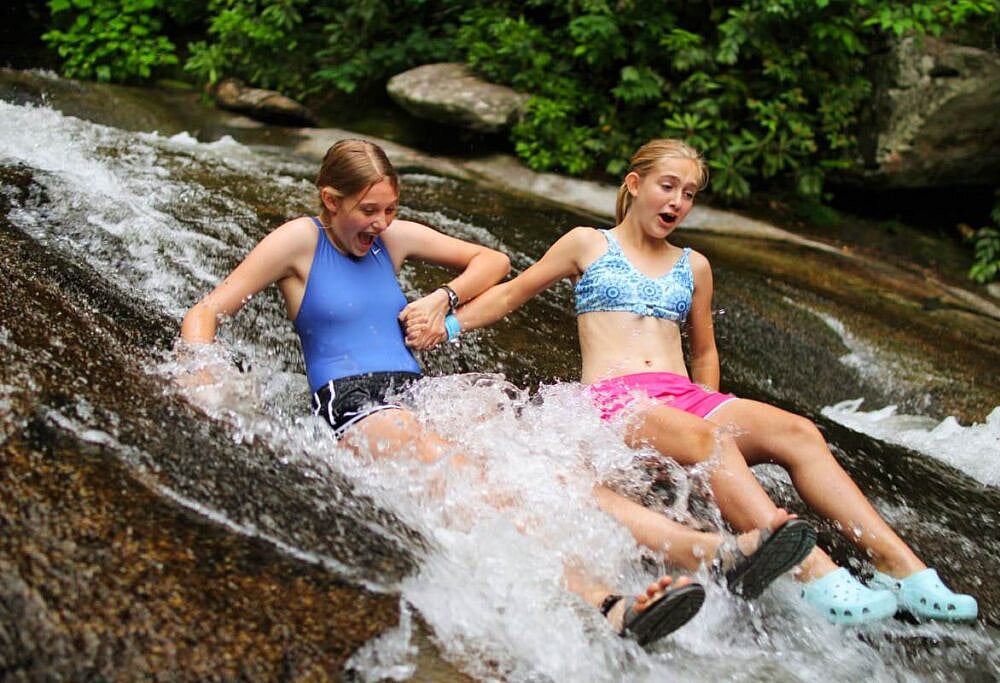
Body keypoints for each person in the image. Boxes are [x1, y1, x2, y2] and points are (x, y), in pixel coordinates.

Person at [178, 138, 815, 648]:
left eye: (390, 210)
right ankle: (608, 603)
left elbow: (492, 262)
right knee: (472, 478)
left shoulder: (392, 241)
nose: (381, 224)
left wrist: (442, 297)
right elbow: (207, 312)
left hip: (419, 393)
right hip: (355, 404)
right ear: (330, 200)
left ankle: (715, 554)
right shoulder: (299, 240)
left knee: (546, 471)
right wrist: (200, 368)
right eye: (368, 211)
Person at [407, 138, 978, 626]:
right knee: (709, 442)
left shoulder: (693, 265)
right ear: (635, 185)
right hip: (615, 402)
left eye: (689, 194)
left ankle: (906, 573)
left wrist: (710, 406)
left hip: (685, 400)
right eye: (667, 187)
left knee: (800, 431)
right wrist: (447, 321)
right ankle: (820, 578)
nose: (677, 202)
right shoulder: (587, 243)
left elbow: (703, 351)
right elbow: (512, 292)